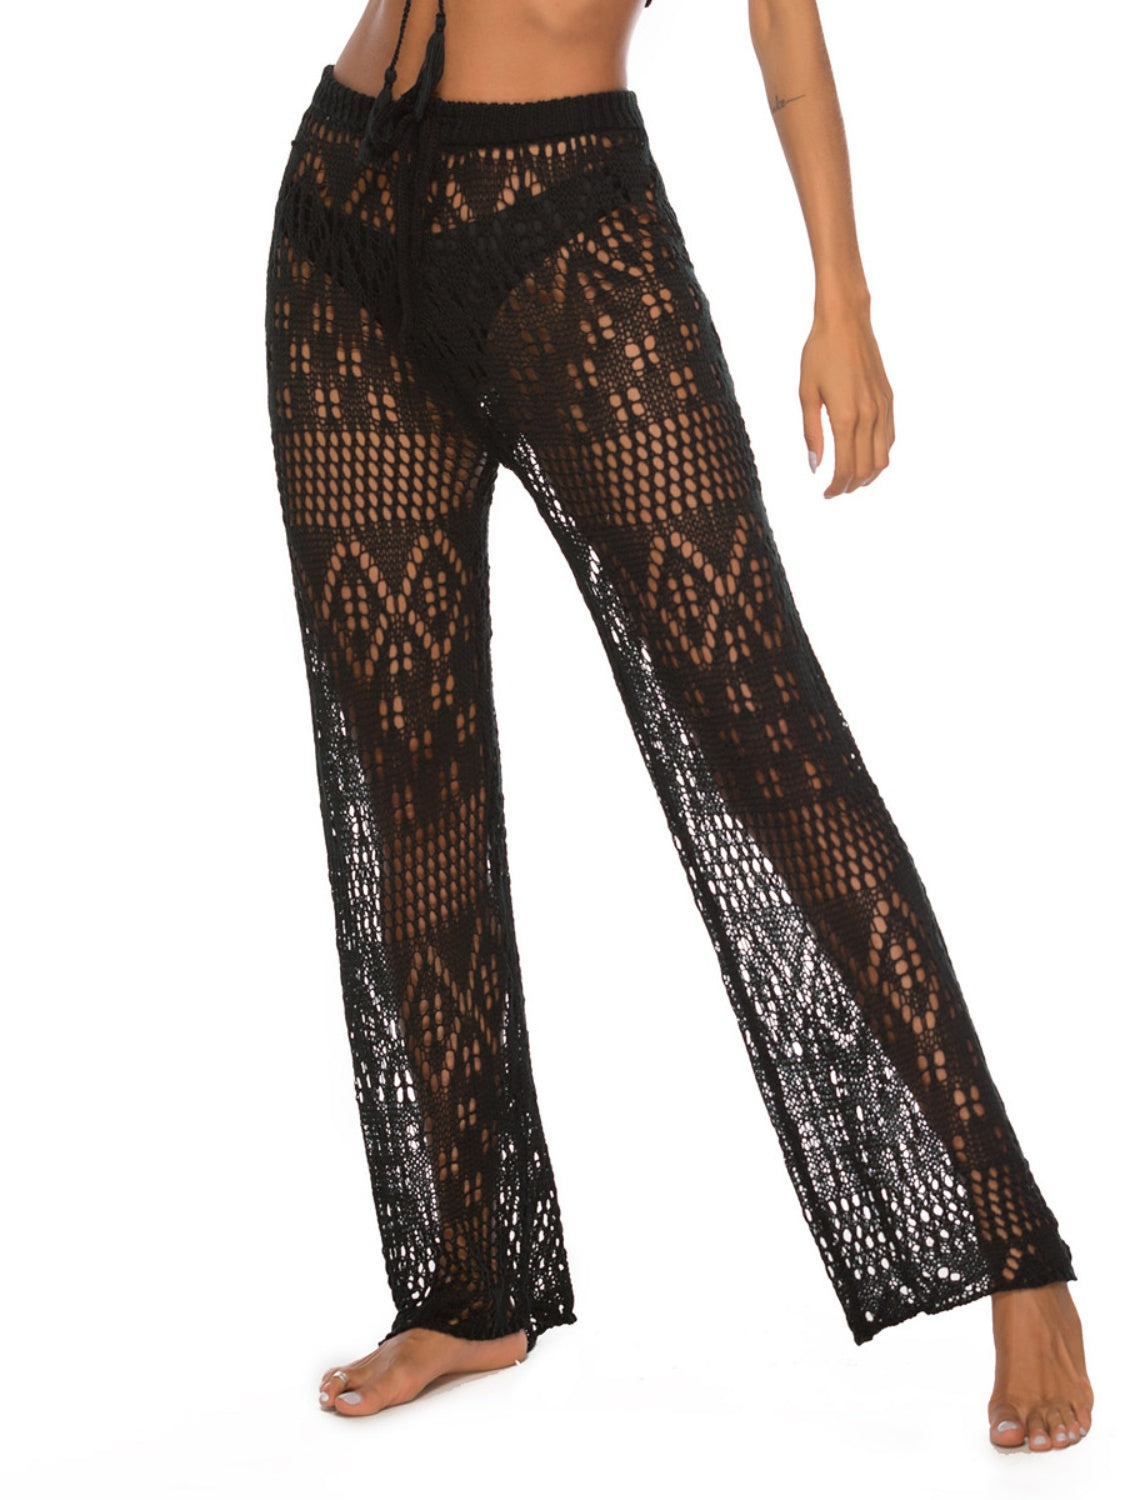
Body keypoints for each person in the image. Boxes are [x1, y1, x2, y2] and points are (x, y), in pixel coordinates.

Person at [262, 0, 1094, 1450]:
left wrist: (842, 298)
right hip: (341, 205)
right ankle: (470, 1285)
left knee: (768, 743)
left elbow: (783, 27)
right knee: (409, 777)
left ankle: (1014, 1251)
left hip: (568, 232)